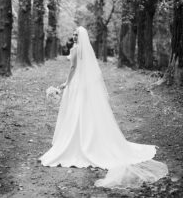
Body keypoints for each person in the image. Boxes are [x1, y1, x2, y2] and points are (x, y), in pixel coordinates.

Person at [39, 26, 168, 188]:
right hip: (84, 85)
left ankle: (78, 142)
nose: (74, 36)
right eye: (73, 34)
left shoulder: (75, 50)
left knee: (76, 112)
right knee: (83, 112)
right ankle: (85, 138)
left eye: (76, 34)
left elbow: (73, 68)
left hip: (77, 85)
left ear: (81, 37)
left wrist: (66, 84)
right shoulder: (85, 50)